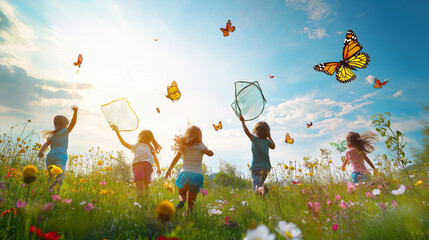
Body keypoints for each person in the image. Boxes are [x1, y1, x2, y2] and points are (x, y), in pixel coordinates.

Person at [165, 125, 213, 213]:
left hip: (184, 174)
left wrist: (168, 170)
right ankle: (188, 216)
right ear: (200, 136)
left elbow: (176, 158)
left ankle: (181, 201)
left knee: (182, 194)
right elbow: (210, 153)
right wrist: (209, 151)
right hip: (196, 176)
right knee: (191, 202)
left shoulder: (184, 146)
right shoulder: (201, 146)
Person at [112, 125, 162, 197]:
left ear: (140, 137)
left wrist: (117, 132)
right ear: (150, 139)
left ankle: (140, 201)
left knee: (140, 187)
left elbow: (124, 143)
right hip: (145, 165)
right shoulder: (148, 147)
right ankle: (145, 201)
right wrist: (158, 168)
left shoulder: (139, 146)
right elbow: (155, 158)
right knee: (146, 185)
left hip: (139, 166)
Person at [38, 105, 78, 192]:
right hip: (60, 155)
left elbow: (46, 144)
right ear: (65, 124)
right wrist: (75, 112)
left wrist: (41, 152)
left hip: (50, 156)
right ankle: (56, 194)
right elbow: (73, 123)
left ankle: (48, 191)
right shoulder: (65, 131)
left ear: (55, 124)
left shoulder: (53, 136)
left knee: (51, 175)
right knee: (59, 175)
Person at [239, 116, 275, 195]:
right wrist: (270, 136)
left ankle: (261, 189)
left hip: (256, 167)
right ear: (267, 132)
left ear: (256, 130)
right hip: (266, 168)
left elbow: (246, 131)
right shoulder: (267, 142)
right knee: (260, 185)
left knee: (256, 185)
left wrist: (242, 122)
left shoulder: (254, 139)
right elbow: (273, 146)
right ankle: (262, 192)